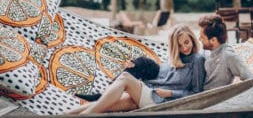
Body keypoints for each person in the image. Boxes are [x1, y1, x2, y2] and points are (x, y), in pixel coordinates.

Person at [68, 23, 205, 114]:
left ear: (192, 39)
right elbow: (158, 75)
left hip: (161, 101)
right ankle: (64, 115)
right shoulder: (174, 58)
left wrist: (170, 94)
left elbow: (197, 93)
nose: (184, 48)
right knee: (105, 104)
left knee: (125, 78)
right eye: (179, 46)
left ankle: (85, 116)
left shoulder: (197, 60)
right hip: (149, 92)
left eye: (186, 42)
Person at [198, 14, 253, 90]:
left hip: (210, 97)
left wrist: (232, 88)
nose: (199, 39)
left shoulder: (228, 56)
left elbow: (249, 77)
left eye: (202, 37)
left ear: (213, 40)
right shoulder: (207, 52)